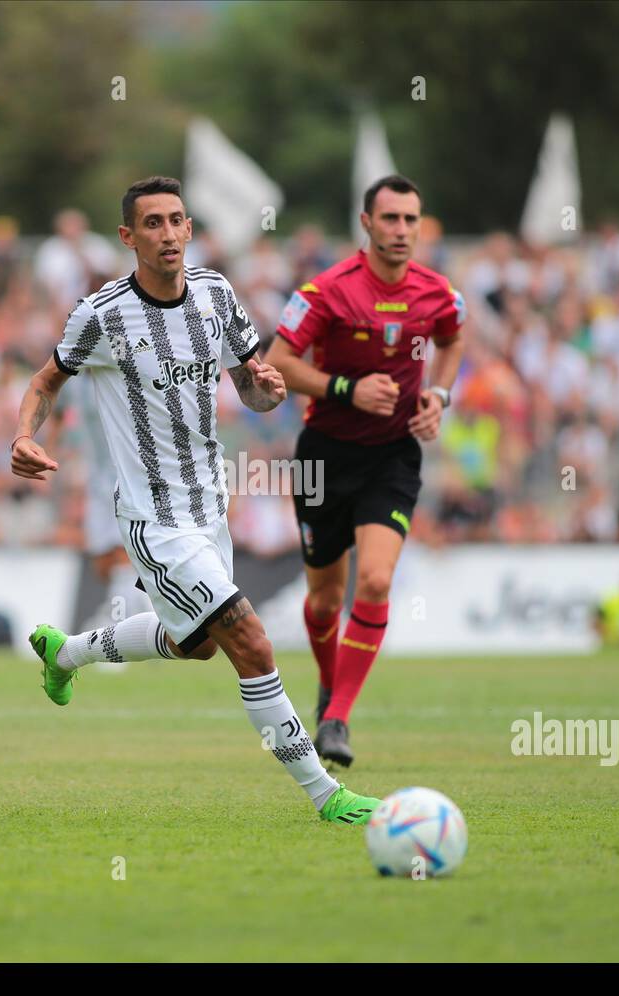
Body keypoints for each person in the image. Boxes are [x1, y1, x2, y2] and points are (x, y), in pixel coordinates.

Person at [10, 176, 382, 827]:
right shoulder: (101, 314)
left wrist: (267, 387)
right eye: (151, 223)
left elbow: (255, 389)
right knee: (252, 643)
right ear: (128, 238)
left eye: (176, 220)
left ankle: (66, 653)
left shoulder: (214, 295)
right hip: (153, 520)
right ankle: (326, 793)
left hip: (211, 509)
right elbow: (44, 384)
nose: (167, 234)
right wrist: (22, 436)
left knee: (198, 645)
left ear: (189, 230)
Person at [262, 175, 465, 766]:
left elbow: (453, 340)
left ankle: (337, 718)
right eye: (391, 219)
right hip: (324, 455)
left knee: (375, 582)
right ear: (366, 223)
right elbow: (278, 363)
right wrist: (347, 388)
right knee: (325, 601)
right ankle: (330, 688)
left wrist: (440, 396)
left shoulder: (437, 292)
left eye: (411, 219)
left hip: (393, 457)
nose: (402, 230)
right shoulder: (326, 291)